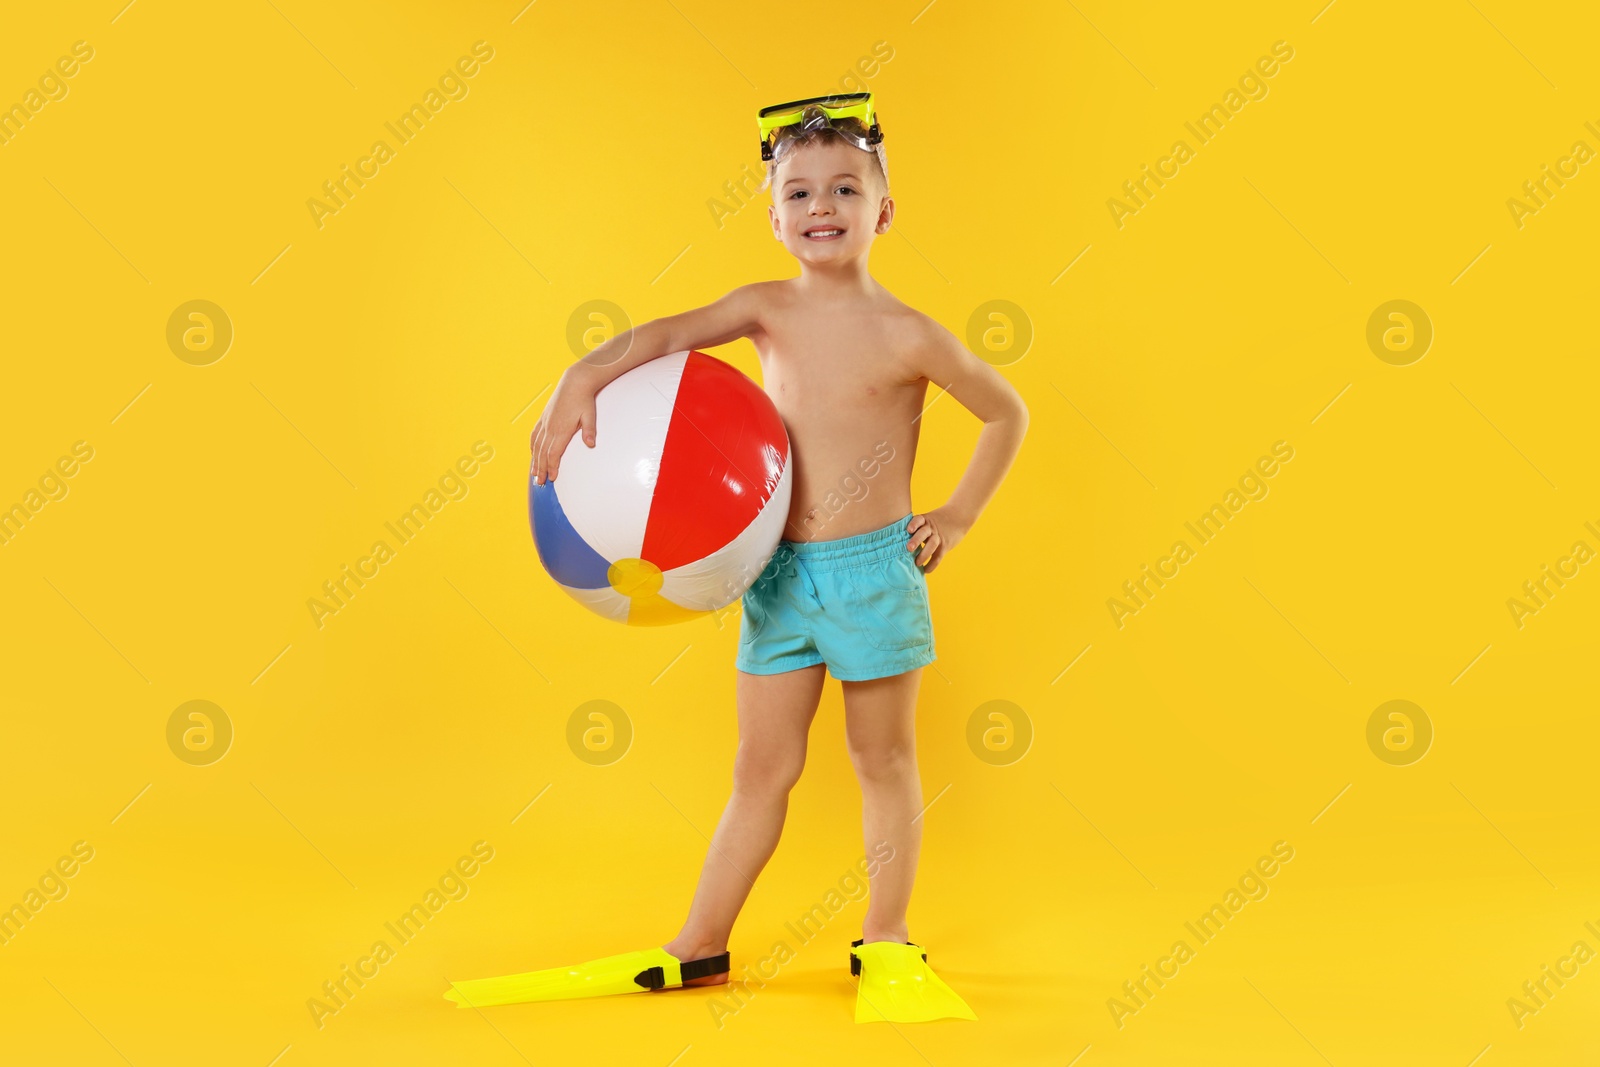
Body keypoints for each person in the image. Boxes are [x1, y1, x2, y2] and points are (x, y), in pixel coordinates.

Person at [446, 92, 1027, 1023]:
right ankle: (699, 944)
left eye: (845, 188)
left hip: (875, 572)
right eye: (798, 193)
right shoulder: (762, 309)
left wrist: (956, 513)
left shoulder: (910, 333)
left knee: (882, 759)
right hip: (777, 577)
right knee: (761, 769)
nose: (821, 207)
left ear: (883, 211)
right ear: (772, 215)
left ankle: (886, 935)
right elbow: (666, 337)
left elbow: (1007, 410)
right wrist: (581, 371)